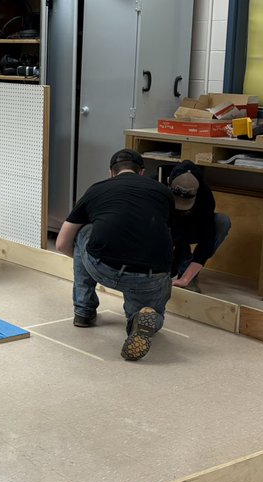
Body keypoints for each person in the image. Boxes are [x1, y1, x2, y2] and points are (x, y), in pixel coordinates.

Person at [55, 148, 175, 361]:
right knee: (150, 312)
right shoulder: (162, 191)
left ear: (111, 172)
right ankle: (138, 321)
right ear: (141, 172)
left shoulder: (97, 189)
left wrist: (85, 258)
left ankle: (83, 311)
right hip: (152, 274)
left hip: (104, 266)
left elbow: (61, 244)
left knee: (83, 232)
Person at [166, 161, 231, 291]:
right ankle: (174, 262)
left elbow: (207, 240)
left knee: (222, 221)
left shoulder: (205, 195)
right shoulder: (157, 185)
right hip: (168, 232)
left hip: (192, 229)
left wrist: (185, 279)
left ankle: (189, 274)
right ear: (168, 182)